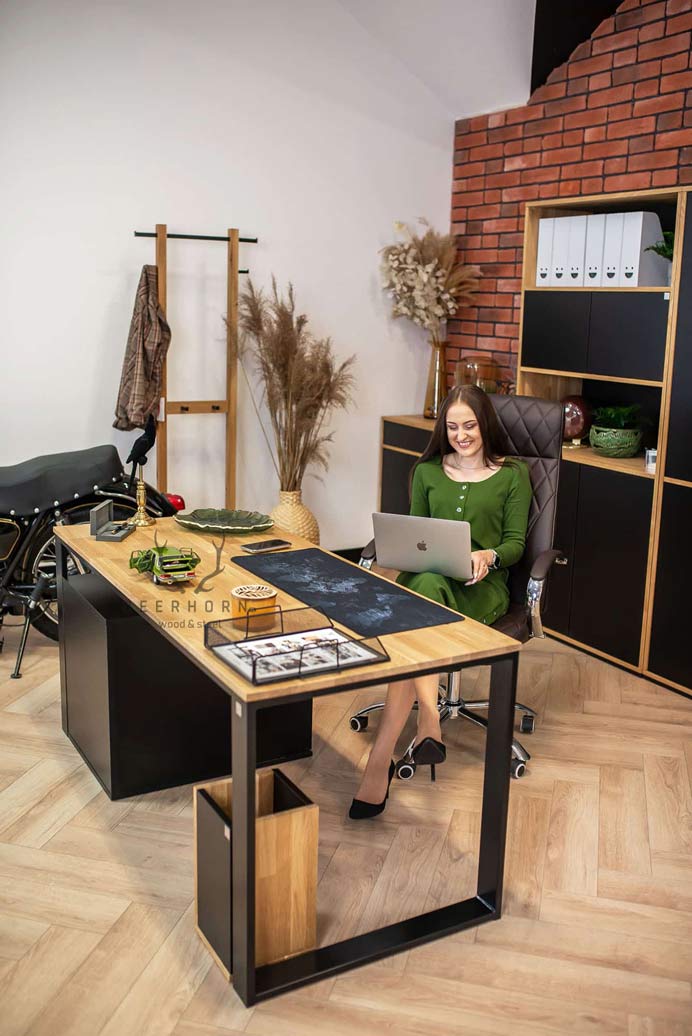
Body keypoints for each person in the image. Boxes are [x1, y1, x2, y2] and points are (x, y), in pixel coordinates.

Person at [349, 385, 532, 819]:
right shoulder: (428, 471)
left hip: (481, 587)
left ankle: (383, 761)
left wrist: (488, 555)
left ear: (485, 424)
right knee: (425, 587)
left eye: (469, 425)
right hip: (428, 580)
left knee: (414, 612)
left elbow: (516, 544)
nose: (461, 435)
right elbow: (414, 537)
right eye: (452, 427)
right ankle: (428, 718)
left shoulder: (513, 474)